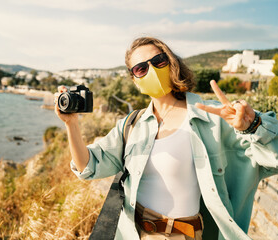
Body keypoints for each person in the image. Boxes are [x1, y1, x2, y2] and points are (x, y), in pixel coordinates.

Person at [54, 37, 278, 240]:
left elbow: (271, 159)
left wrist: (252, 126)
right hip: (133, 232)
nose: (151, 70)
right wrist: (72, 124)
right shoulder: (132, 124)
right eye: (141, 68)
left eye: (158, 61)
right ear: (135, 79)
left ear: (172, 63)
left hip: (183, 235)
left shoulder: (214, 116)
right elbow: (87, 166)